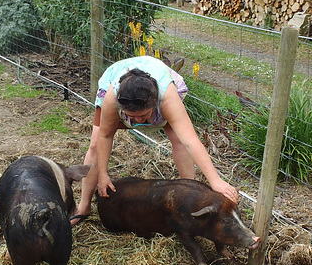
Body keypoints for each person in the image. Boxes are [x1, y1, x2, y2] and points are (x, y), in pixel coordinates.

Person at [71, 56, 239, 225]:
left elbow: (191, 142)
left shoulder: (167, 98)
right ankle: (84, 206)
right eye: (132, 117)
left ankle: (188, 195)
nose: (139, 121)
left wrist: (215, 181)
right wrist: (103, 174)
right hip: (118, 81)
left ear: (154, 104)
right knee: (94, 144)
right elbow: (105, 136)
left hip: (156, 82)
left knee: (179, 141)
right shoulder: (113, 98)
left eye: (143, 115)